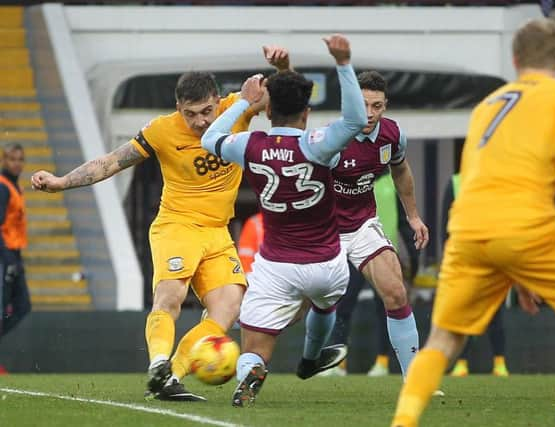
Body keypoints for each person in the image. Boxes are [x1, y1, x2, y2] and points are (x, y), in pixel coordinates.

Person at [391, 18, 555, 427]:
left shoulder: (488, 105)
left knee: (444, 339)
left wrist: (520, 274)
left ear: (515, 59)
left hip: (467, 232)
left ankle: (404, 422)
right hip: (527, 227)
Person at [30, 46, 291, 401]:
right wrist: (61, 181)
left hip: (217, 232)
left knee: (229, 307)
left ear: (218, 100)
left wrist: (282, 67)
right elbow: (111, 162)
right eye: (190, 114)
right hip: (177, 226)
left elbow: (286, 96)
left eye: (206, 112)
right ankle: (157, 362)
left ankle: (172, 377)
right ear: (178, 108)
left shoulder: (237, 108)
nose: (200, 121)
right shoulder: (161, 130)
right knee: (171, 295)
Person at [202, 34, 366, 407]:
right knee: (324, 306)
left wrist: (245, 102)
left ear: (268, 110)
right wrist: (343, 62)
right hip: (327, 261)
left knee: (255, 344)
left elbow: (210, 137)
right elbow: (356, 119)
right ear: (306, 113)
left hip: (277, 265)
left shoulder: (251, 145)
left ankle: (251, 373)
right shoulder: (319, 144)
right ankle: (310, 360)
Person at [330, 70, 429, 379]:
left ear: (385, 105)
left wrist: (413, 216)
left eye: (377, 106)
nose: (370, 113)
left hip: (362, 226)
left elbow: (401, 171)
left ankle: (412, 378)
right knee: (297, 302)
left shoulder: (392, 135)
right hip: (324, 229)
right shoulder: (332, 138)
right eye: (363, 105)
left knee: (396, 292)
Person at [323, 170, 398, 377]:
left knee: (385, 309)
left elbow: (403, 223)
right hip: (352, 250)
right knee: (343, 305)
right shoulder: (351, 177)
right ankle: (338, 363)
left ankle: (382, 362)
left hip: (383, 254)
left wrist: (412, 260)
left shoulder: (393, 183)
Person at [441, 175, 509, 378]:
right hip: (466, 257)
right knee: (464, 310)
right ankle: (461, 363)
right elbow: (446, 224)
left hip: (494, 253)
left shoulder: (497, 180)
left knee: (495, 312)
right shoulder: (455, 182)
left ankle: (500, 363)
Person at [0, 144, 31, 373]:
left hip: (14, 254)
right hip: (5, 255)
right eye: (12, 159)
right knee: (3, 309)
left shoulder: (14, 186)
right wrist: (7, 259)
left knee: (22, 306)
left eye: (20, 159)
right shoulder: (2, 186)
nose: (16, 163)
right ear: (4, 160)